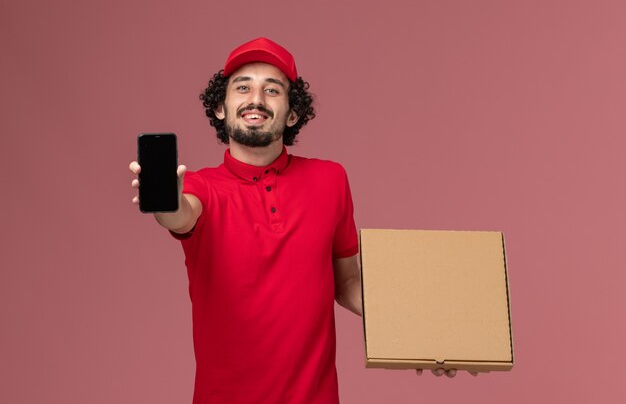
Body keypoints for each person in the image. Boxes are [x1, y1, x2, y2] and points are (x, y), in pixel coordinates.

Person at [129, 37, 461, 404]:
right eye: (243, 88)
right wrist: (167, 201)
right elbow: (180, 215)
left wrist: (426, 332)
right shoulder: (198, 186)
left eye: (272, 90)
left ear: (292, 113)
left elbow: (347, 281)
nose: (256, 99)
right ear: (221, 107)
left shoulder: (330, 179)